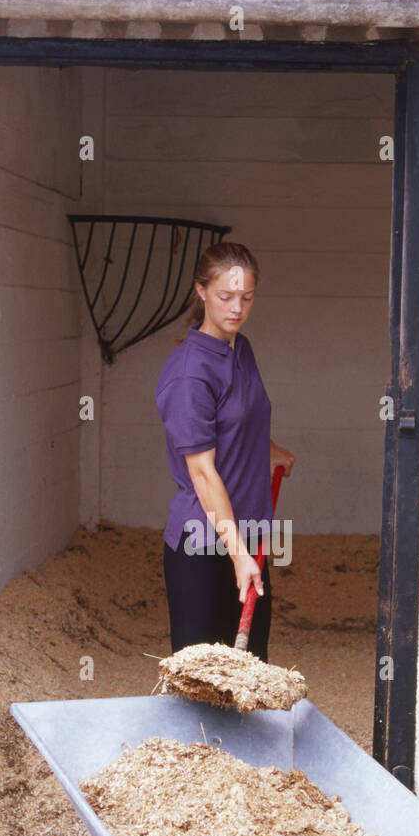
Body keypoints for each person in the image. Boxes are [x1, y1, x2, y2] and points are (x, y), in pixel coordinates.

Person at [156, 242, 295, 662]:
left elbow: (239, 418)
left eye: (246, 298)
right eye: (225, 296)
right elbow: (202, 472)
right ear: (201, 291)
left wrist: (268, 450)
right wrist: (237, 554)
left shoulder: (241, 348)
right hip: (204, 542)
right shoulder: (188, 373)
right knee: (204, 680)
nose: (237, 308)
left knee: (250, 671)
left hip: (249, 533)